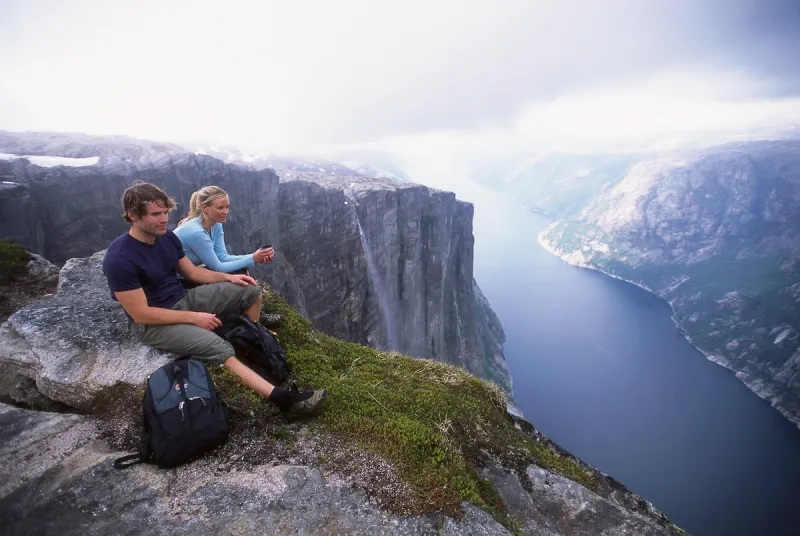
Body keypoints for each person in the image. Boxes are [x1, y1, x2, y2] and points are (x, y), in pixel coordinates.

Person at [102, 181, 326, 418]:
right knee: (219, 347)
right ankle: (285, 402)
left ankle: (256, 344)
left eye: (166, 212)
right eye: (156, 214)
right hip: (154, 324)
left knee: (250, 291)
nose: (164, 219)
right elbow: (141, 314)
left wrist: (230, 279)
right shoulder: (120, 259)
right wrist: (195, 318)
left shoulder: (166, 238)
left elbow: (193, 273)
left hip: (183, 298)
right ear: (132, 215)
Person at [174, 185, 274, 278]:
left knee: (242, 272)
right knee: (243, 279)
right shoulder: (196, 232)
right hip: (176, 280)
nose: (226, 212)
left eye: (227, 207)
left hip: (190, 274)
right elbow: (218, 268)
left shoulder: (215, 224)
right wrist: (253, 259)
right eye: (220, 208)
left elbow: (222, 257)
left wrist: (256, 256)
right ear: (204, 208)